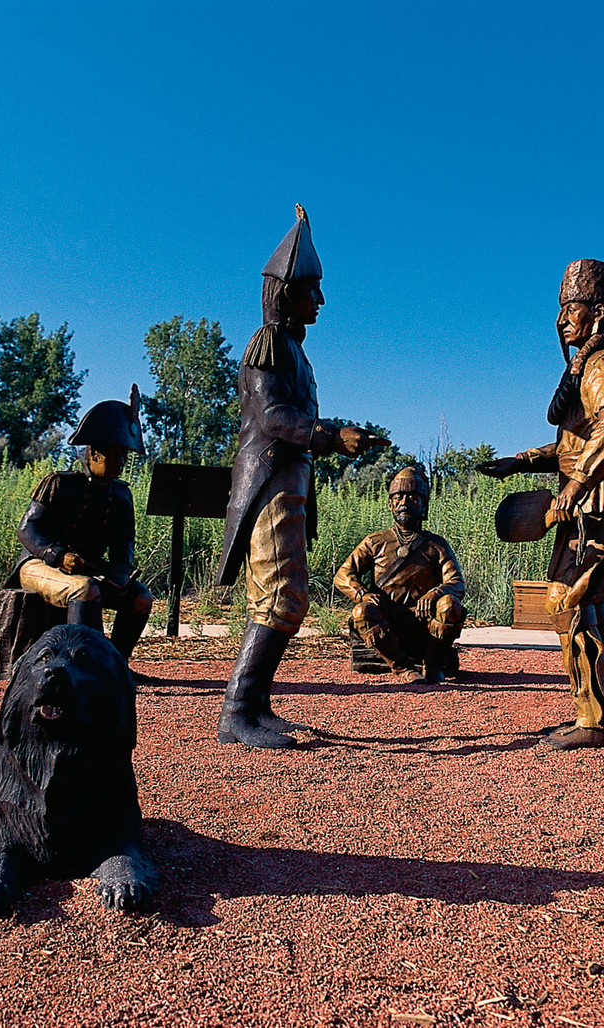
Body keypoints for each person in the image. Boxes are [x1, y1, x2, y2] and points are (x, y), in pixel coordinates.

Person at [214, 204, 388, 748]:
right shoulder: (265, 347)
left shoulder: (293, 353)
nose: (320, 300)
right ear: (286, 292)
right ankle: (236, 712)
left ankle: (257, 705)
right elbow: (273, 418)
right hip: (268, 488)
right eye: (311, 289)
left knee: (287, 598)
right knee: (276, 599)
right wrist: (330, 436)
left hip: (289, 488)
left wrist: (339, 430)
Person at [480, 232, 604, 750]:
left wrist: (574, 481)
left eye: (571, 308)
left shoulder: (603, 365)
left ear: (596, 313)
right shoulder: (582, 367)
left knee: (565, 601)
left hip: (597, 501)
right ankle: (595, 714)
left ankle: (596, 720)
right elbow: (570, 443)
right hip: (583, 500)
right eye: (562, 308)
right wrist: (519, 464)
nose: (562, 319)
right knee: (585, 604)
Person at [12, 387, 153, 661]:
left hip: (91, 571)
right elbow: (27, 529)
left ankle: (115, 666)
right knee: (84, 590)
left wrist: (119, 575)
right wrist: (58, 555)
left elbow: (124, 545)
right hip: (37, 565)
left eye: (124, 456)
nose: (121, 463)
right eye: (114, 455)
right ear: (94, 454)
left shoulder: (121, 495)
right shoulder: (58, 483)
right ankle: (82, 664)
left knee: (140, 597)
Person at [334, 467, 466, 683]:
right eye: (398, 497)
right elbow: (343, 575)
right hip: (387, 617)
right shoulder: (375, 542)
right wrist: (362, 595)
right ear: (390, 504)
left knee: (450, 605)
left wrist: (435, 594)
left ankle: (432, 666)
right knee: (361, 612)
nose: (404, 502)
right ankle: (402, 667)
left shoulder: (437, 545)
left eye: (413, 497)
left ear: (424, 505)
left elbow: (457, 583)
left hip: (425, 620)